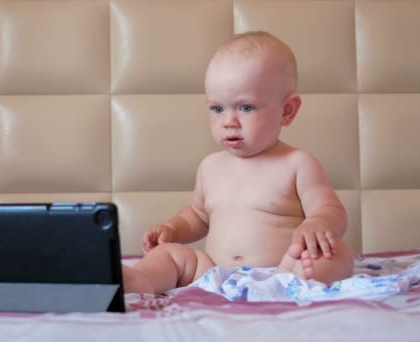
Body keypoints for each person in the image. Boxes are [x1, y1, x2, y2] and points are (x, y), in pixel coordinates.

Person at [122, 31, 354, 295]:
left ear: (287, 111)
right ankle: (141, 279)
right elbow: (197, 216)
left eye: (245, 108)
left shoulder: (298, 163)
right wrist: (172, 229)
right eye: (217, 109)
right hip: (213, 274)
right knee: (170, 255)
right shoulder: (210, 167)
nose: (228, 121)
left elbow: (332, 210)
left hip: (281, 271)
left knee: (336, 252)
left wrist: (318, 224)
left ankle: (298, 280)